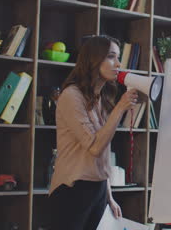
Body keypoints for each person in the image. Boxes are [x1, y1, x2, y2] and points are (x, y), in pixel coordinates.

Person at [49, 35, 139, 230]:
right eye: (111, 57)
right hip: (72, 190)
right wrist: (120, 107)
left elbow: (103, 153)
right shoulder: (71, 96)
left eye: (118, 57)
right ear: (93, 60)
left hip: (97, 189)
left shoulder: (101, 98)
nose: (118, 63)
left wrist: (109, 197)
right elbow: (95, 147)